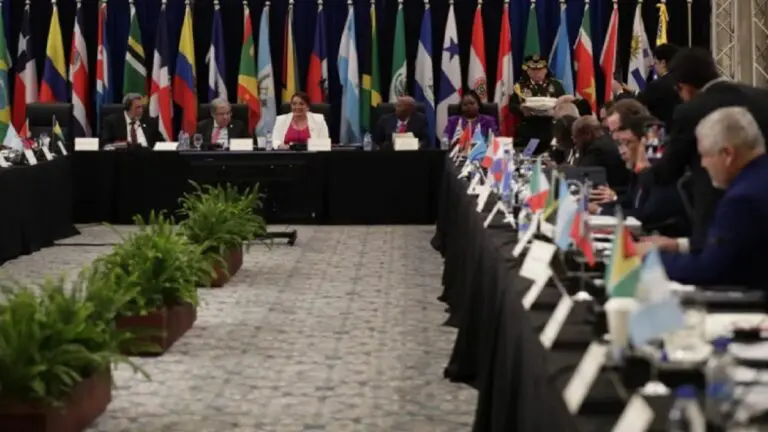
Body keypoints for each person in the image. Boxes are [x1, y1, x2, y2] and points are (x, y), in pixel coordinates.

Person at [646, 47, 768, 252]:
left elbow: (668, 171)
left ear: (684, 87)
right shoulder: (762, 98)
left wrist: (646, 171)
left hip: (714, 214)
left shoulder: (691, 111)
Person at [638, 107, 768, 288]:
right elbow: (733, 245)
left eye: (705, 155)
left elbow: (710, 270)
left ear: (727, 154)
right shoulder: (757, 180)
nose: (702, 164)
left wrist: (649, 259)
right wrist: (678, 244)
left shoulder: (743, 199)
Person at [598, 115, 687, 236]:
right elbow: (629, 201)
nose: (622, 151)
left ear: (645, 143)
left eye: (627, 143)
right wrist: (598, 207)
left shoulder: (662, 176)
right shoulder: (639, 174)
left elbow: (645, 216)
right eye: (620, 144)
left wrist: (600, 210)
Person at [508, 54, 566, 154]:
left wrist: (557, 109)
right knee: (527, 157)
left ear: (546, 70)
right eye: (533, 70)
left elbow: (565, 104)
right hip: (529, 129)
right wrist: (521, 109)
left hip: (550, 129)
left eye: (540, 70)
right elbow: (512, 106)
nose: (537, 73)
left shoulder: (556, 85)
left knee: (550, 157)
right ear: (528, 71)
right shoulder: (520, 87)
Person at [571, 115, 631, 192]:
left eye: (576, 138)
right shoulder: (608, 139)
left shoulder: (596, 150)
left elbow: (579, 176)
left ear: (587, 134)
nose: (575, 143)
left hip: (614, 192)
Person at [635, 44, 683, 128]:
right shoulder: (685, 82)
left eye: (655, 63)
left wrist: (620, 92)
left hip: (662, 131)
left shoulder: (656, 86)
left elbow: (636, 106)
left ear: (663, 63)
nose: (653, 66)